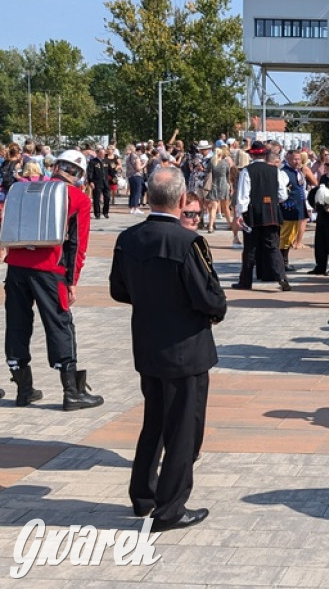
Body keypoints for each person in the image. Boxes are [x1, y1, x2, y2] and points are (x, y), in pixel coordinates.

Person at [109, 166, 226, 532]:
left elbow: (118, 290)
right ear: (179, 200)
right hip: (185, 347)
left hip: (148, 342)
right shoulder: (186, 242)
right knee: (182, 431)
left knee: (154, 423)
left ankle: (143, 495)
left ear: (148, 197)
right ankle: (170, 508)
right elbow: (209, 299)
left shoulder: (128, 238)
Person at [5, 149, 104, 410]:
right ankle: (71, 392)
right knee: (60, 325)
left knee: (17, 324)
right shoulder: (78, 199)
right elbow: (77, 245)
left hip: (16, 266)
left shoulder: (28, 189)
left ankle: (24, 389)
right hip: (50, 269)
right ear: (79, 174)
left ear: (58, 166)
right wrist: (72, 280)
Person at [232, 143, 290, 291]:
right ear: (264, 155)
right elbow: (283, 195)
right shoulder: (274, 171)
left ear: (252, 155)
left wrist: (239, 214)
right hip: (271, 213)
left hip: (253, 213)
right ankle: (281, 277)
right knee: (273, 246)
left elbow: (243, 195)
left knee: (250, 248)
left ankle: (246, 281)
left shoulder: (247, 171)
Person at [204, 147, 233, 233]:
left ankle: (210, 226)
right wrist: (231, 186)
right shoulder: (225, 163)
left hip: (214, 185)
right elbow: (228, 175)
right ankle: (229, 224)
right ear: (221, 154)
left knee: (214, 207)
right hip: (224, 185)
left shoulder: (212, 163)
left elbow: (207, 172)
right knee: (226, 207)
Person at [87, 145, 112, 219]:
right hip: (97, 182)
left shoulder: (106, 161)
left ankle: (105, 212)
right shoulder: (93, 162)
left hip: (106, 182)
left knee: (107, 197)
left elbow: (111, 171)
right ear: (98, 153)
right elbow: (90, 172)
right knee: (97, 198)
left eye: (104, 154)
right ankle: (97, 213)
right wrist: (91, 181)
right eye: (101, 154)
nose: (103, 155)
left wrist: (114, 177)